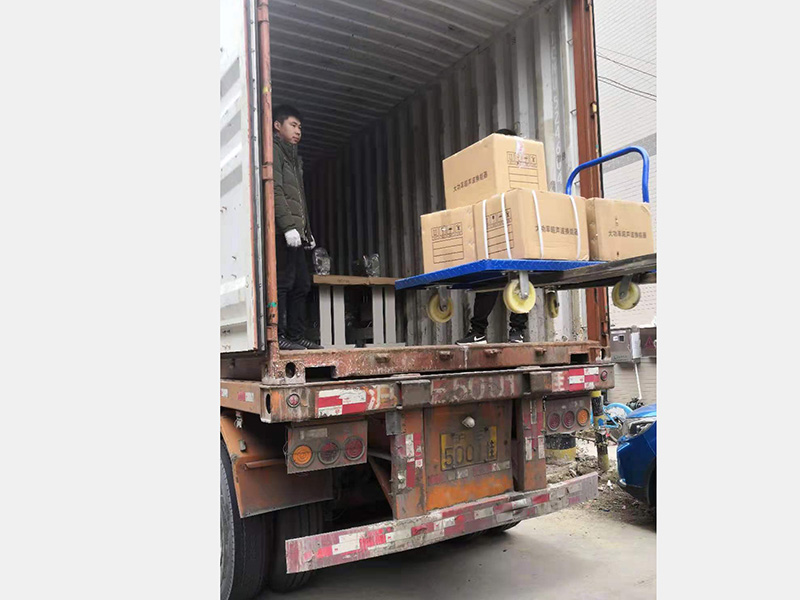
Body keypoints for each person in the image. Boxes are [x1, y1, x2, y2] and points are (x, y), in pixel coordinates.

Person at [457, 128, 528, 345]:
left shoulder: (521, 170)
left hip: (518, 232)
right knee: (488, 281)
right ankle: (478, 332)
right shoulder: (489, 174)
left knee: (520, 280)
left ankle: (518, 331)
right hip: (495, 233)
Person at [272, 104, 322, 350]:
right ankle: (279, 335)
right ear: (277, 126)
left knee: (302, 284)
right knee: (284, 283)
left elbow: (300, 200)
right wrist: (288, 226)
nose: (298, 131)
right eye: (293, 125)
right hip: (282, 233)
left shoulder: (295, 159)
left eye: (300, 127)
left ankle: (296, 335)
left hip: (297, 234)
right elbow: (275, 190)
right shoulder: (274, 151)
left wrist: (307, 231)